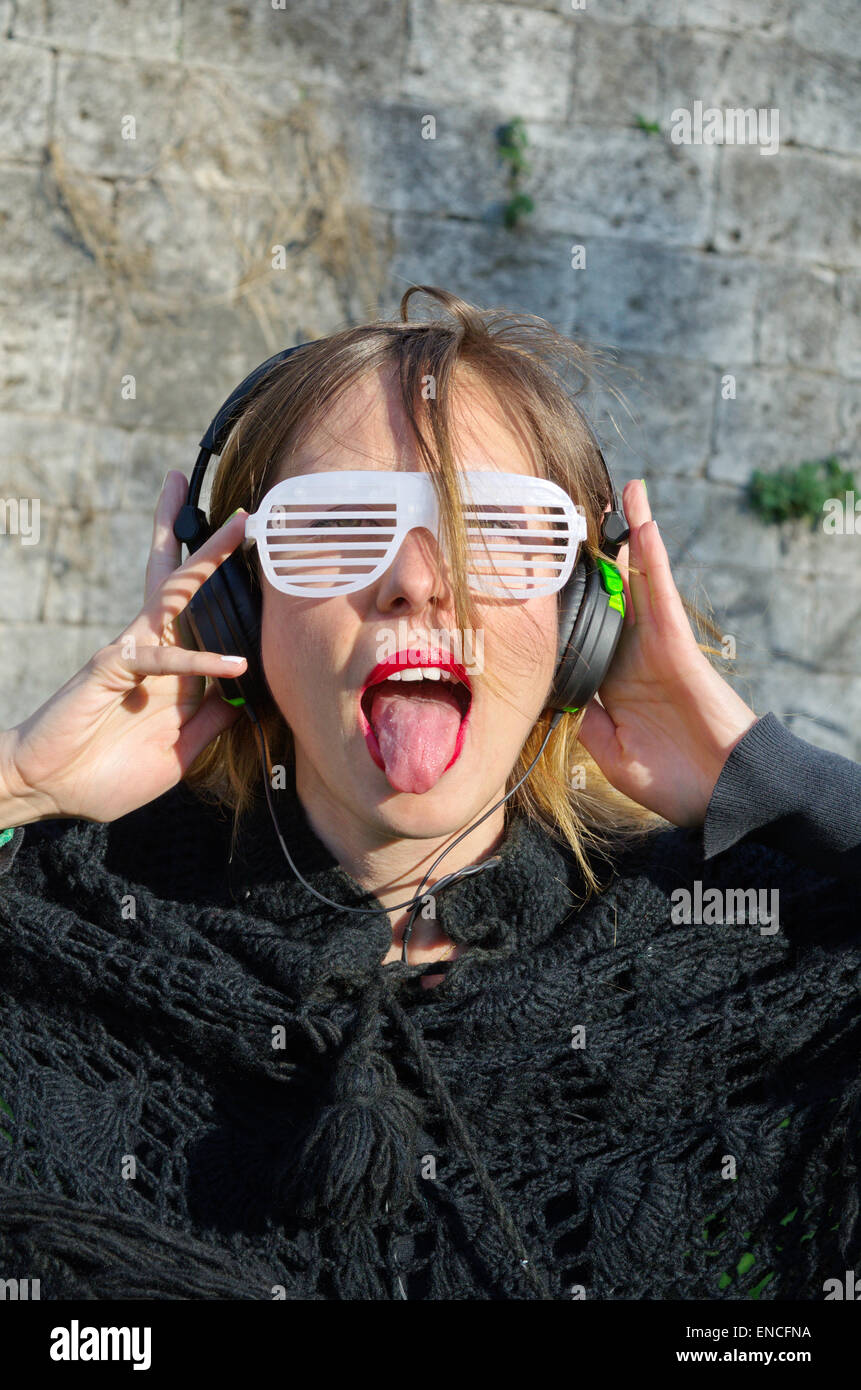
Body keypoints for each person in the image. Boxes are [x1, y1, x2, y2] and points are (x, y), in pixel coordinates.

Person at [0, 287, 858, 1301]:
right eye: (336, 526)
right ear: (237, 596)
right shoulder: (65, 936)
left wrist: (766, 776)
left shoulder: (745, 962)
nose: (416, 578)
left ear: (584, 615)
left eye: (497, 529)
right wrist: (20, 778)